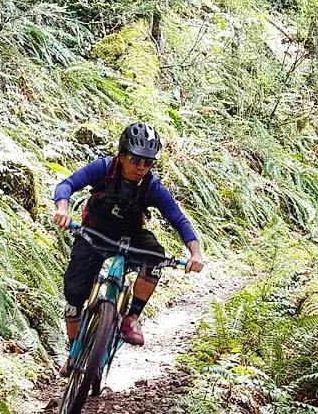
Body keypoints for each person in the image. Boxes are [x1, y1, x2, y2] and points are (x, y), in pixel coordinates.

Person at [52, 122, 204, 359]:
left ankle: (132, 317)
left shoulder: (151, 186)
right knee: (73, 299)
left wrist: (195, 253)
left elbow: (178, 219)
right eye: (135, 160)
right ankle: (73, 352)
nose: (141, 167)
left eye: (148, 162)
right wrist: (63, 208)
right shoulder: (103, 168)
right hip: (93, 233)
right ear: (122, 155)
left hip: (130, 236)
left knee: (157, 258)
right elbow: (67, 185)